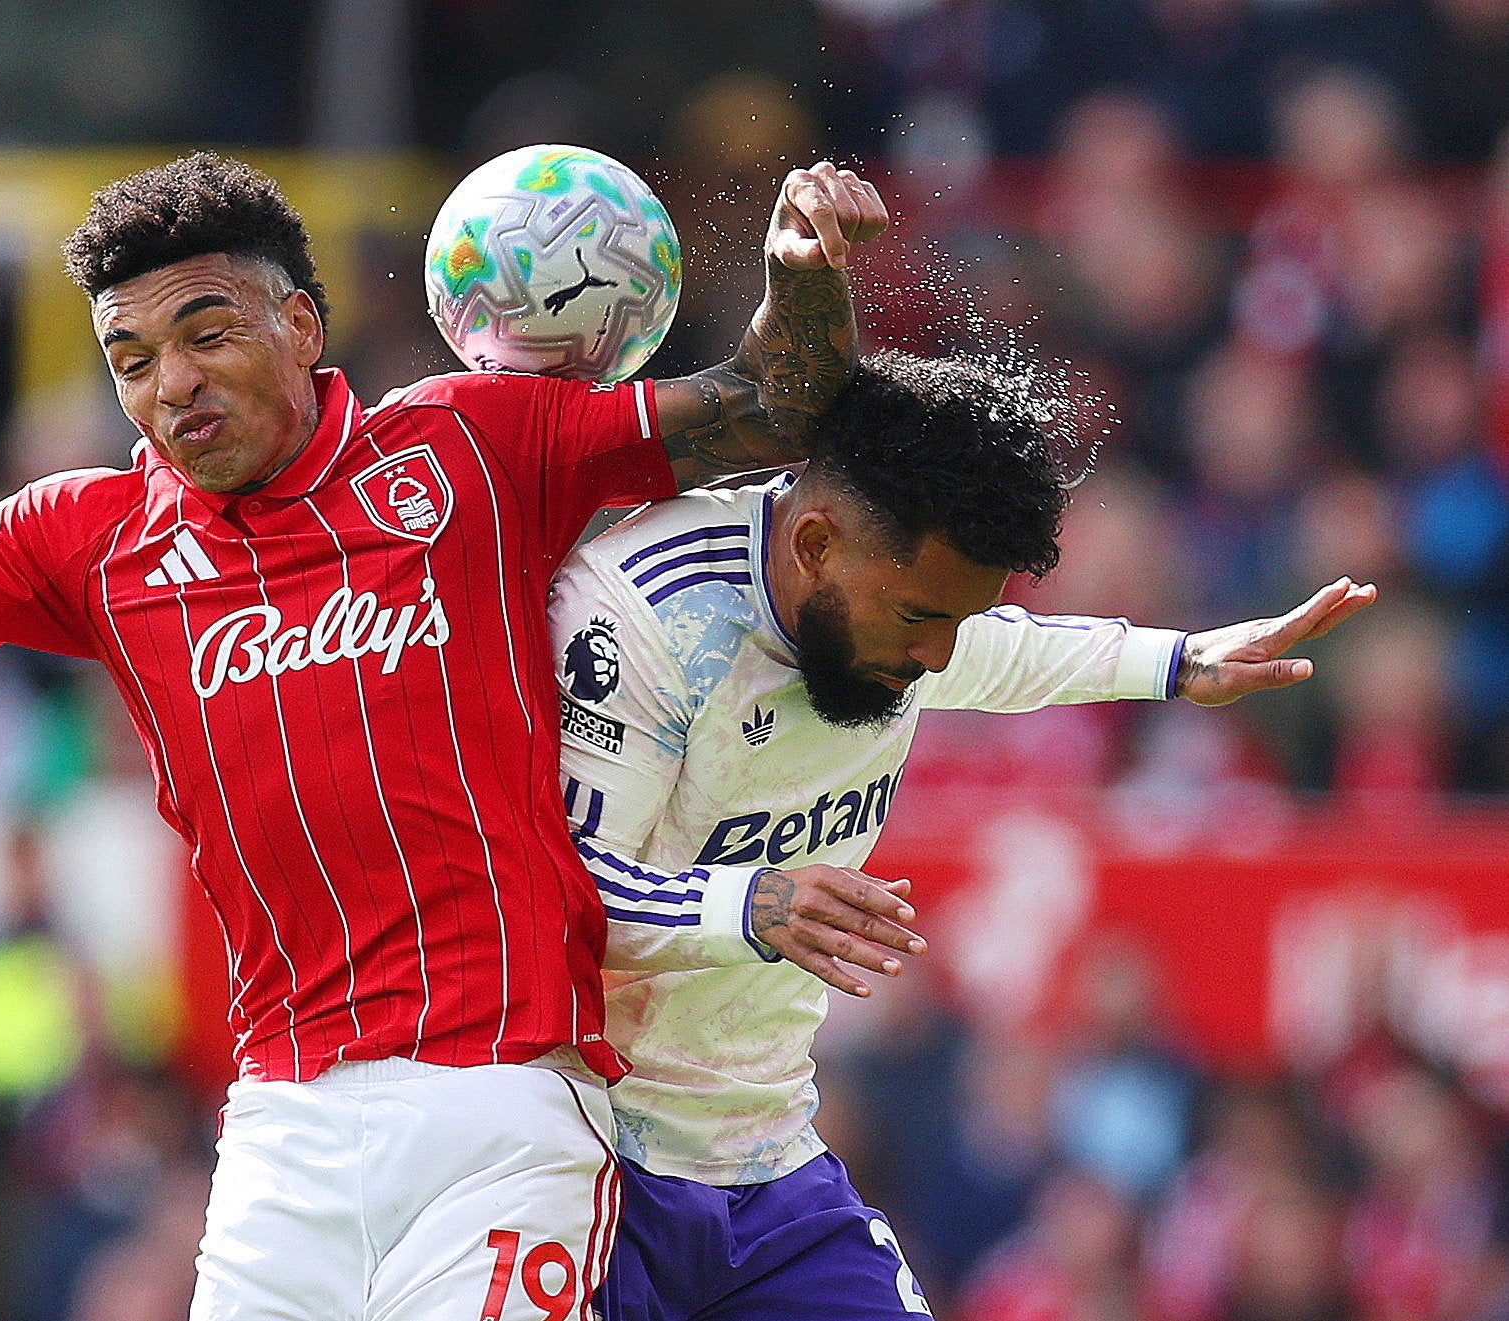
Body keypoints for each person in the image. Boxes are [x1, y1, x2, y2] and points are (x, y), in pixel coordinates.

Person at [0, 150, 893, 1320]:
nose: (173, 384)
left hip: (503, 1106)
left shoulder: (468, 446)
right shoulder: (86, 539)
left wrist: (806, 276)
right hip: (277, 1130)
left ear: (303, 328)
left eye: (208, 333)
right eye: (132, 358)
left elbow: (770, 407)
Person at [547, 350, 1377, 1320]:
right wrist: (754, 902)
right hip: (588, 1164)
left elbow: (987, 647)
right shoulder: (644, 623)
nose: (935, 659)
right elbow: (555, 894)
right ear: (815, 544)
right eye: (920, 620)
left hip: (762, 1161)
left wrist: (1180, 661)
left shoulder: (882, 597)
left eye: (959, 620)